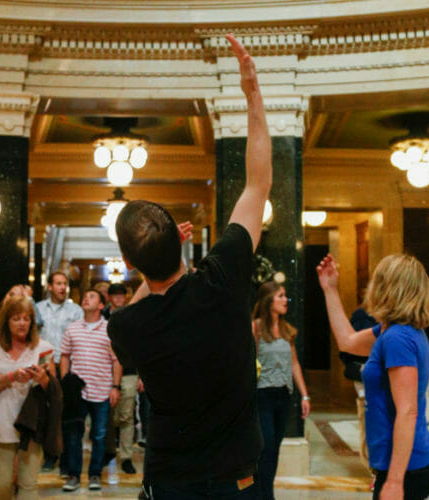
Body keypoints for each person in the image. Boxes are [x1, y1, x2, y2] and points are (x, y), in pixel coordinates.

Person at [107, 33, 269, 499]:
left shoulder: (129, 326)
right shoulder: (223, 275)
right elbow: (257, 185)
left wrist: (145, 273)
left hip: (172, 480)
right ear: (181, 246)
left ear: (128, 262)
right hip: (237, 478)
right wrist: (252, 95)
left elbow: (143, 301)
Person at [317, 254, 429, 500]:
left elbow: (407, 411)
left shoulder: (398, 338)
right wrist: (330, 290)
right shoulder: (391, 331)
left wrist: (394, 481)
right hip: (403, 465)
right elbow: (347, 342)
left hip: (407, 468)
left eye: (377, 280)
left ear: (388, 288)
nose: (371, 286)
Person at [0, 295, 55, 500]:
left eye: (26, 318)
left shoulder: (43, 347)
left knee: (28, 486)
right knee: (2, 485)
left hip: (31, 424)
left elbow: (53, 389)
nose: (22, 323)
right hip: (1, 423)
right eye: (16, 318)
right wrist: (13, 376)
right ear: (6, 321)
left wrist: (42, 379)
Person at [251, 281, 311, 500]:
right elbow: (248, 361)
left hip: (283, 396)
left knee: (274, 448)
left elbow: (294, 363)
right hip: (262, 395)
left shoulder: (287, 330)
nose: (286, 300)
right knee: (265, 447)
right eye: (281, 296)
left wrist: (304, 394)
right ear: (269, 301)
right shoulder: (255, 327)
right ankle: (264, 495)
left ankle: (264, 492)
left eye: (286, 295)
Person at [59, 289, 122, 492]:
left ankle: (95, 473)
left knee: (99, 435)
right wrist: (65, 380)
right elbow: (65, 355)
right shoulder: (73, 328)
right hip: (77, 393)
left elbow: (116, 360)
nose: (86, 298)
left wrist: (115, 386)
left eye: (92, 296)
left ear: (101, 305)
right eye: (85, 296)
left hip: (102, 390)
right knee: (74, 435)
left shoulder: (109, 329)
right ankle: (74, 475)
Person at [35, 270, 82, 472]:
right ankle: (49, 455)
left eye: (65, 283)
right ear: (50, 287)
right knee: (45, 413)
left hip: (67, 366)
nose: (63, 287)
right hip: (44, 365)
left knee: (64, 415)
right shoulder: (37, 309)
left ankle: (64, 459)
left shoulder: (75, 311)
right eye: (59, 283)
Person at [103, 282, 138, 473]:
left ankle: (126, 457)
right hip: (105, 371)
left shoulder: (132, 316)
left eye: (121, 295)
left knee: (127, 416)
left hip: (130, 369)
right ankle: (108, 451)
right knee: (106, 416)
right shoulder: (101, 318)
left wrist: (142, 375)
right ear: (109, 297)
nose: (118, 298)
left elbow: (140, 345)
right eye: (114, 295)